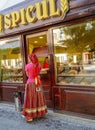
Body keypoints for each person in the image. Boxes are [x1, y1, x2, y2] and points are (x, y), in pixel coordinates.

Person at [22, 54, 47, 122]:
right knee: (38, 97)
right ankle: (40, 112)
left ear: (30, 59)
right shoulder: (38, 65)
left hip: (30, 83)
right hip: (38, 83)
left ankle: (30, 116)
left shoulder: (27, 66)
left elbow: (28, 75)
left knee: (30, 98)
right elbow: (39, 73)